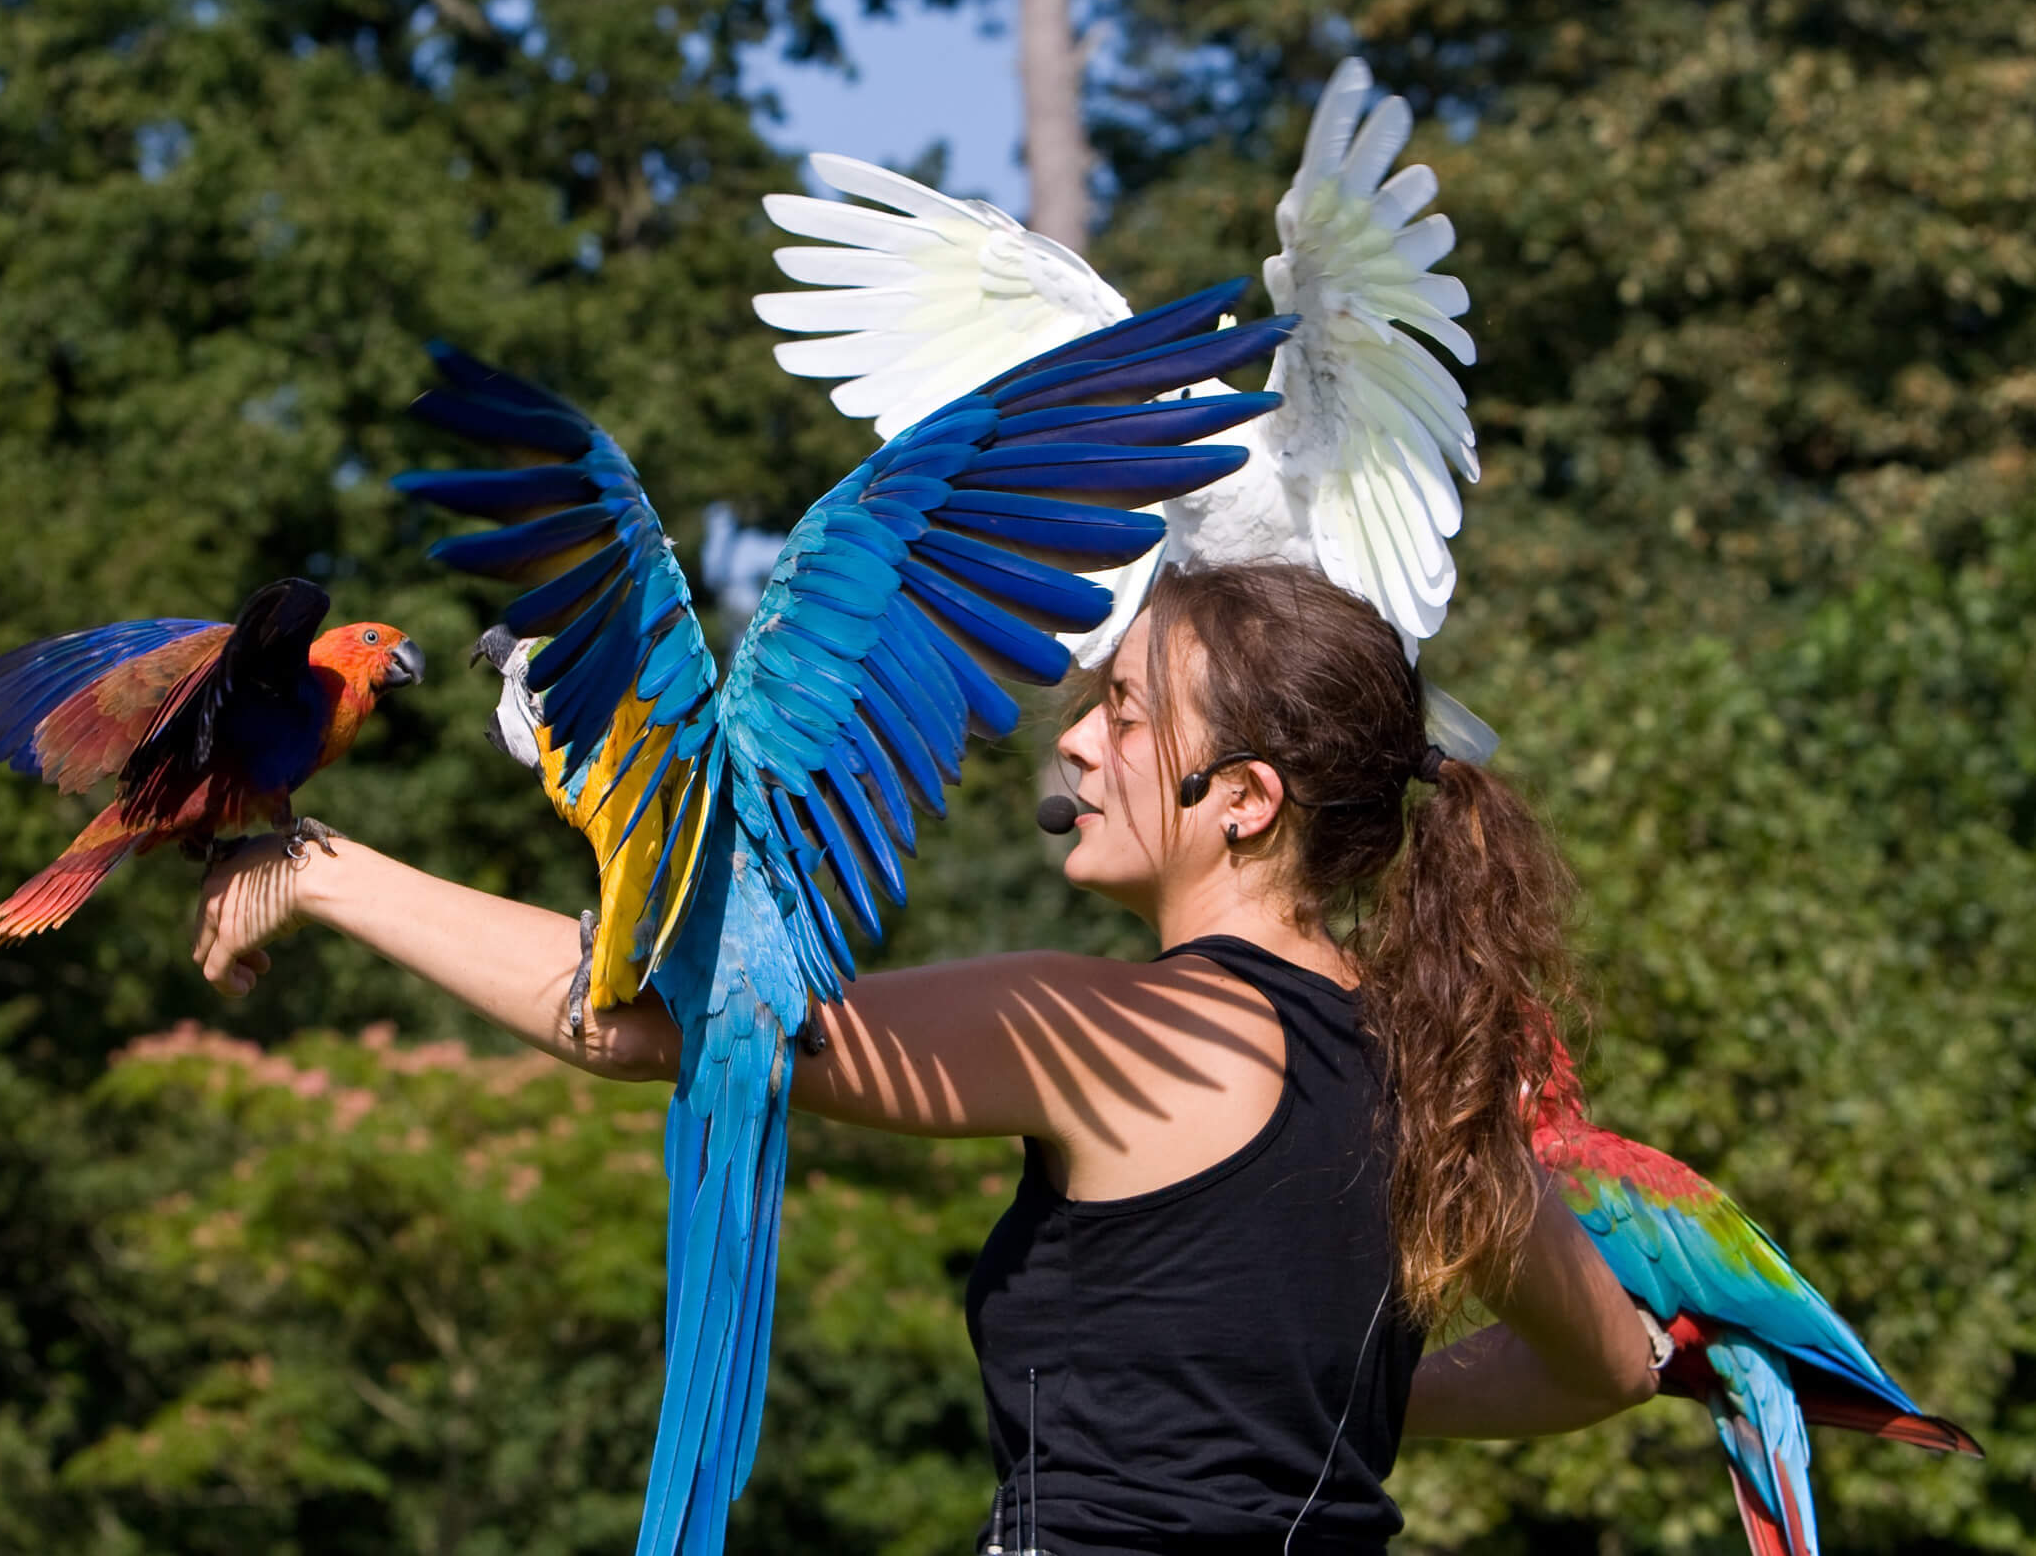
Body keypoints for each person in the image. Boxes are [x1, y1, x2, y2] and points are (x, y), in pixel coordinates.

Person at [192, 561, 1659, 1553]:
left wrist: (319, 870)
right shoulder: (1433, 1073)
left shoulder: (1115, 1029)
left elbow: (659, 1027)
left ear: (1245, 802)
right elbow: (1606, 1361)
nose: (1075, 745)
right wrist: (1329, 1385)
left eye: (1124, 712)